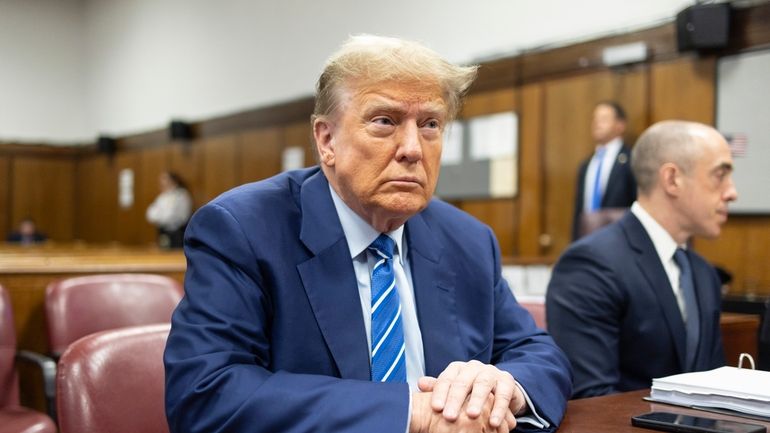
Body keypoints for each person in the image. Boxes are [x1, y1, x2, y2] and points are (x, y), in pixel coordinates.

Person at [164, 35, 571, 433]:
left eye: (430, 124)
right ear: (326, 140)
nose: (413, 148)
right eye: (384, 122)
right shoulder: (242, 230)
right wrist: (411, 412)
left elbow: (538, 354)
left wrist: (505, 389)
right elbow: (207, 393)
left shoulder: (467, 239)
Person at [546, 120, 737, 398]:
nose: (732, 192)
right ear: (672, 179)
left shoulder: (703, 274)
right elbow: (593, 399)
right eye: (720, 175)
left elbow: (713, 387)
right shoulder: (590, 266)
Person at [572, 101, 637, 239]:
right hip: (587, 240)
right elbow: (579, 211)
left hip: (620, 240)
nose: (597, 123)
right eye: (595, 119)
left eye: (604, 119)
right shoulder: (587, 164)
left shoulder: (632, 160)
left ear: (620, 125)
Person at [145, 171, 192, 248]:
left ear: (173, 181)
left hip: (177, 233)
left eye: (165, 180)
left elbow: (170, 216)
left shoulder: (181, 196)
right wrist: (160, 216)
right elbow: (150, 215)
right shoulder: (162, 197)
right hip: (163, 231)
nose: (162, 183)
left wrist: (160, 216)